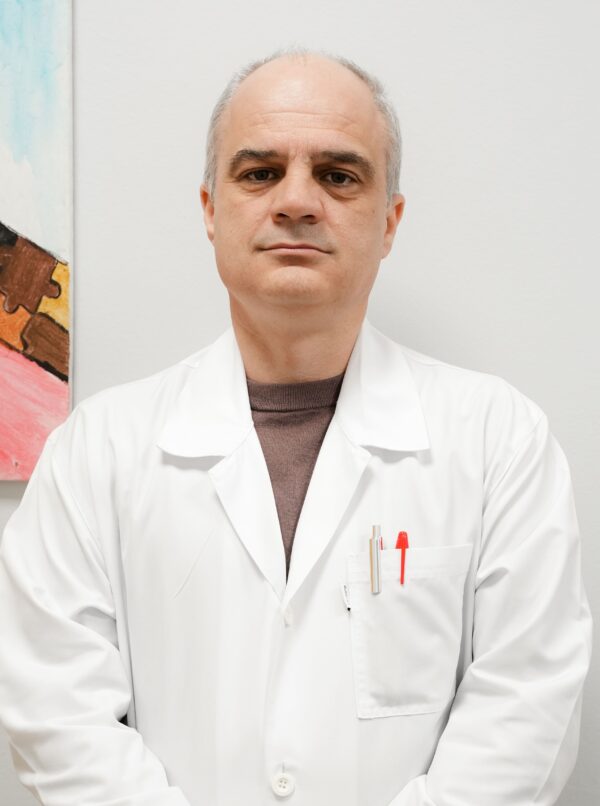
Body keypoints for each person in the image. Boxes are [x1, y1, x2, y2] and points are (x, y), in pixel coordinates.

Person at [0, 46, 592, 806]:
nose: (297, 201)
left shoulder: (500, 442)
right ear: (210, 211)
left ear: (390, 221)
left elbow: (525, 714)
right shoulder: (96, 452)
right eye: (260, 172)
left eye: (339, 176)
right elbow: (58, 717)